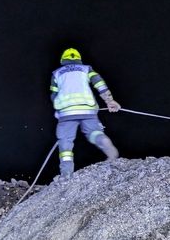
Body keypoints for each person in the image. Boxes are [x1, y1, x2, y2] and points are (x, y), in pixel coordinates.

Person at [49, 47, 121, 177]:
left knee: (65, 142)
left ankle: (66, 174)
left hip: (66, 113)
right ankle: (102, 141)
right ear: (79, 59)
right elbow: (100, 84)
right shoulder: (86, 69)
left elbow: (54, 94)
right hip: (88, 109)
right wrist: (110, 101)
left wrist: (57, 110)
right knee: (94, 132)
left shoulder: (56, 73)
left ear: (62, 60)